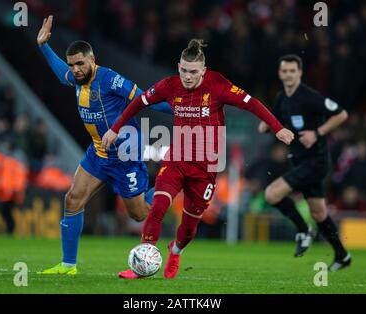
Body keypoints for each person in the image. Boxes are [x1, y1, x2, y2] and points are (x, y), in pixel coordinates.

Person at [102, 39, 294, 279]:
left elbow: (251, 104)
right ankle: (142, 264)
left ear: (203, 71)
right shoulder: (169, 86)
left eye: (193, 72)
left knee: (188, 229)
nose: (187, 77)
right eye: (183, 70)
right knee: (158, 206)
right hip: (176, 160)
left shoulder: (218, 85)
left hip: (205, 168)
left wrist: (277, 128)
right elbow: (139, 102)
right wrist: (115, 128)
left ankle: (176, 250)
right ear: (178, 66)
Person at [36, 16, 172, 275]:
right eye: (72, 65)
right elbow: (59, 72)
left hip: (125, 154)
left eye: (80, 64)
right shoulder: (76, 78)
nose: (75, 69)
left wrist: (181, 109)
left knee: (139, 214)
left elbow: (145, 98)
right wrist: (44, 46)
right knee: (73, 199)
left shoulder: (110, 80)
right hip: (98, 153)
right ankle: (68, 265)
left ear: (92, 60)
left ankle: (168, 188)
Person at [258, 54, 351, 271]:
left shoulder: (309, 97)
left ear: (300, 73)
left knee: (272, 194)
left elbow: (341, 114)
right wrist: (268, 125)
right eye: (285, 71)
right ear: (280, 73)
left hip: (315, 161)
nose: (289, 75)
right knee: (319, 212)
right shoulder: (282, 98)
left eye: (293, 71)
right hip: (299, 161)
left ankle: (303, 229)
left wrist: (317, 133)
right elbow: (276, 119)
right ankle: (342, 255)